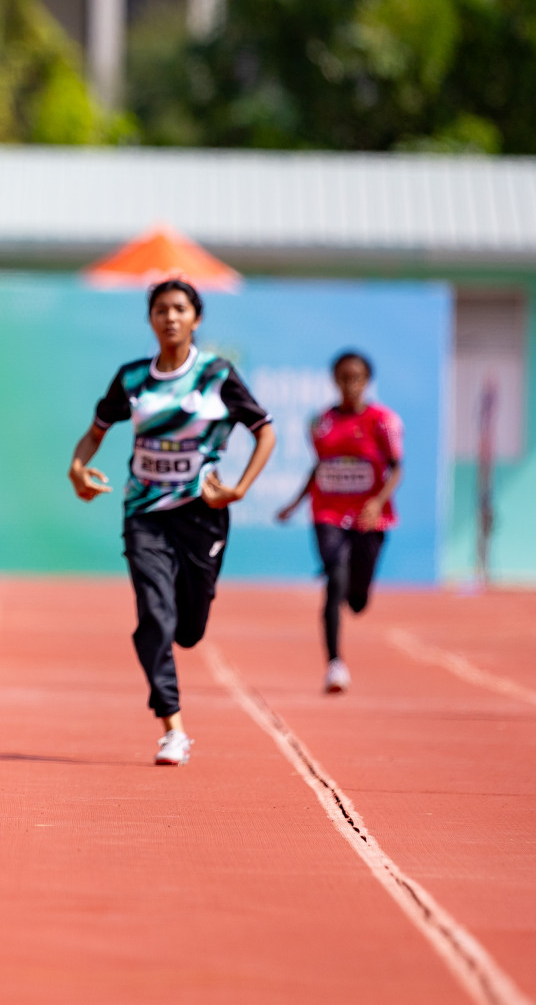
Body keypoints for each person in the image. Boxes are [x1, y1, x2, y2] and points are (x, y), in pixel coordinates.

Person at [68, 278, 276, 766]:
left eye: (180, 309)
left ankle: (187, 629)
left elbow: (264, 432)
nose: (170, 317)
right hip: (144, 514)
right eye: (161, 309)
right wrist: (77, 469)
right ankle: (172, 728)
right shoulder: (132, 379)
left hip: (202, 517)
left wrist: (240, 487)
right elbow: (93, 434)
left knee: (188, 631)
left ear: (196, 318)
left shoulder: (216, 375)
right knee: (155, 619)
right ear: (151, 319)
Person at [276, 351, 402, 694]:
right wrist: (295, 502)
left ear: (367, 381)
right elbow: (320, 466)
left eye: (357, 377)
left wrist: (376, 502)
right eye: (344, 377)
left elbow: (396, 468)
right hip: (328, 512)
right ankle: (335, 664)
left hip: (369, 516)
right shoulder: (320, 423)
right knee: (335, 575)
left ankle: (357, 591)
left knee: (357, 600)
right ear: (335, 380)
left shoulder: (383, 421)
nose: (350, 384)